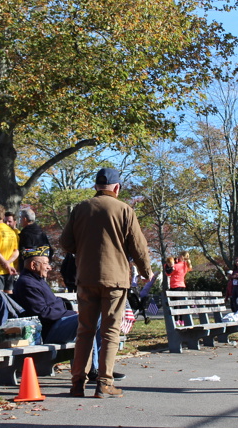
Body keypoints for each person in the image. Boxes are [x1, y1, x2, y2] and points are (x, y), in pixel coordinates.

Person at [61, 167, 153, 399]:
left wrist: (85, 247)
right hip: (115, 279)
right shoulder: (124, 210)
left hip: (86, 277)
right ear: (117, 187)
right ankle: (104, 384)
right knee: (110, 332)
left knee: (84, 331)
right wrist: (146, 272)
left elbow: (66, 243)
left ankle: (77, 384)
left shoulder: (80, 208)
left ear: (96, 186)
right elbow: (139, 247)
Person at [12, 250, 79, 344]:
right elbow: (43, 313)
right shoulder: (27, 283)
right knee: (91, 318)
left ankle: (96, 353)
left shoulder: (36, 281)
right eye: (46, 263)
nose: (49, 267)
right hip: (49, 330)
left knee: (94, 318)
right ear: (33, 265)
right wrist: (72, 313)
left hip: (57, 324)